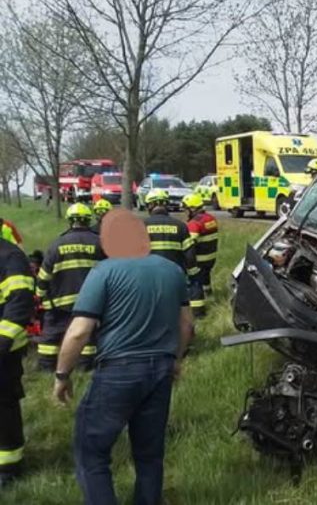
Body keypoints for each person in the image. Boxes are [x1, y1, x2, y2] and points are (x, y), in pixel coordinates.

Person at [53, 208, 194, 505]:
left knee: (92, 452)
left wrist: (62, 374)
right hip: (161, 369)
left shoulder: (103, 272)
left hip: (118, 371)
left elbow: (79, 331)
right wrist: (176, 360)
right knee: (150, 454)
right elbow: (187, 325)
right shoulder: (173, 271)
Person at [36, 203, 105, 371]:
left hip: (60, 304)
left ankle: (47, 367)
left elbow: (44, 276)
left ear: (69, 221)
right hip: (90, 303)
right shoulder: (100, 243)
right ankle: (84, 367)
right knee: (88, 335)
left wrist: (40, 295)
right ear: (88, 220)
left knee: (51, 336)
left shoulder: (56, 245)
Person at [0, 238, 34, 488]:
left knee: (3, 407)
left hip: (4, 352)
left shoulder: (10, 257)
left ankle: (7, 467)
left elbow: (20, 304)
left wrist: (2, 342)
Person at [143, 189, 206, 317]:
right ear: (166, 204)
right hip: (175, 275)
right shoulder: (180, 226)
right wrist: (194, 275)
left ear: (150, 205)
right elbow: (189, 254)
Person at [182, 193, 218, 296]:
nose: (185, 212)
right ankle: (208, 293)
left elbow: (190, 243)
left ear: (192, 208)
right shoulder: (211, 218)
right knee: (206, 276)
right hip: (211, 257)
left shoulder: (194, 223)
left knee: (196, 280)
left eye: (186, 209)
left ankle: (198, 296)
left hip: (199, 259)